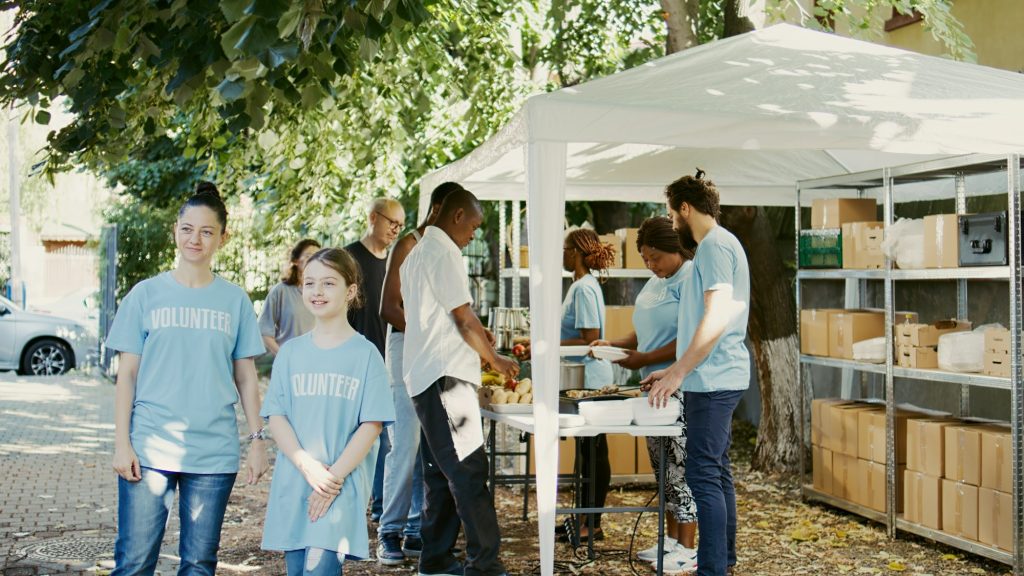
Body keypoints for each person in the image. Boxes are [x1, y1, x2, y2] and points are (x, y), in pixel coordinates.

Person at [107, 181, 269, 575]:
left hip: (213, 452)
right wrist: (121, 443)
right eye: (187, 229)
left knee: (198, 565)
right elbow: (126, 375)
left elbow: (246, 378)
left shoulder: (235, 301)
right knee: (134, 563)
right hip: (149, 448)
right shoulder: (145, 295)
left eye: (206, 231)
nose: (195, 239)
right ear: (175, 231)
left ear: (222, 238)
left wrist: (257, 440)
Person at [401, 188, 518, 576]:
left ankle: (435, 558)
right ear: (456, 217)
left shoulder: (416, 254)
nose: (473, 235)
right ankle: (484, 563)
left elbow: (443, 316)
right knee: (468, 469)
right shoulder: (444, 252)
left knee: (440, 471)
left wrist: (482, 343)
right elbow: (463, 319)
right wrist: (495, 359)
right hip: (446, 375)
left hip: (425, 373)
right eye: (473, 225)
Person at [260, 248, 396, 576]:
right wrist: (308, 468)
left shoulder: (366, 355)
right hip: (296, 482)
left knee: (319, 570)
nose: (317, 291)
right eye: (309, 283)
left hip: (338, 487)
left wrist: (331, 478)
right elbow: (277, 416)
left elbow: (372, 424)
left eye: (328, 283)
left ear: (351, 291)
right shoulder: (290, 353)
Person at [643, 171, 750, 576]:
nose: (672, 223)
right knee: (715, 472)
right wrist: (673, 370)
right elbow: (698, 325)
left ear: (686, 208)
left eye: (672, 215)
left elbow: (718, 314)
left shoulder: (714, 247)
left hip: (715, 378)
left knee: (703, 473)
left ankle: (712, 569)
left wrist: (678, 375)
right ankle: (722, 561)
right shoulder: (716, 246)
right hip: (714, 376)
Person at [590, 216, 697, 572]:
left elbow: (689, 338)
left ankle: (688, 546)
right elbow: (641, 333)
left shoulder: (690, 278)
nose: (651, 265)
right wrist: (613, 345)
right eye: (645, 259)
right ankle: (669, 541)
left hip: (679, 386)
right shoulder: (655, 282)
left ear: (674, 249)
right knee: (662, 470)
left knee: (681, 471)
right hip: (651, 388)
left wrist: (646, 359)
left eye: (655, 257)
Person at [377, 182, 463, 565]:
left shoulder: (445, 250)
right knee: (406, 443)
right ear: (440, 210)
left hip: (434, 353)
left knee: (433, 444)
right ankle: (389, 531)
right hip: (405, 347)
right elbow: (389, 308)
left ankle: (418, 529)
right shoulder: (409, 244)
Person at [344, 198, 406, 523]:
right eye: (391, 222)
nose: (396, 230)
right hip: (354, 361)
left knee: (386, 438)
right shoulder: (349, 257)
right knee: (353, 436)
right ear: (373, 218)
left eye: (400, 225)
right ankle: (351, 503)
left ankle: (381, 510)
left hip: (390, 362)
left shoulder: (398, 261)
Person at [559, 228, 615, 543]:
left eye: (565, 249)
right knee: (585, 452)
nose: (562, 255)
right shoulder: (580, 286)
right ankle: (582, 516)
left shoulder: (584, 289)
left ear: (576, 252)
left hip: (591, 380)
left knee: (593, 451)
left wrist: (545, 340)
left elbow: (590, 338)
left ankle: (592, 523)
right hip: (582, 379)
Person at [260, 238, 322, 356]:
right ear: (296, 261)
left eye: (318, 256)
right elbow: (264, 332)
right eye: (309, 256)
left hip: (317, 363)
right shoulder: (280, 291)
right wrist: (283, 356)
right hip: (288, 364)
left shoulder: (323, 293)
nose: (315, 260)